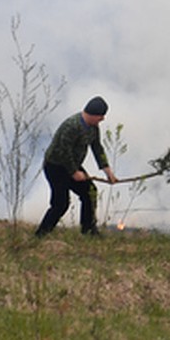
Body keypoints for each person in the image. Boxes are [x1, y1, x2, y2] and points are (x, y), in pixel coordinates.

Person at [35, 95, 119, 237]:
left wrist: (108, 171)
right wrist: (74, 173)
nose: (102, 119)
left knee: (90, 192)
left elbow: (97, 148)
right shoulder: (71, 126)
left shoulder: (93, 128)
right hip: (56, 166)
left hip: (73, 165)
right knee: (61, 204)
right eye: (101, 116)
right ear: (93, 114)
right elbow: (64, 152)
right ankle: (41, 234)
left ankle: (88, 230)